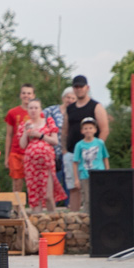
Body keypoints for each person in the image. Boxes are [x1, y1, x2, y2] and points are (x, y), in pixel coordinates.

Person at [64, 75, 110, 212]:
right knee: (74, 187)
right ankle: (75, 217)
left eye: (81, 86)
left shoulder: (96, 106)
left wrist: (96, 148)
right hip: (72, 152)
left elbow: (105, 129)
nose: (79, 89)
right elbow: (65, 130)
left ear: (87, 88)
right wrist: (63, 150)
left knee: (94, 188)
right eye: (76, 87)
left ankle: (96, 215)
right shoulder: (70, 108)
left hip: (91, 156)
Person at [19, 99, 64, 211]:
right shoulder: (25, 125)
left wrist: (40, 135)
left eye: (36, 108)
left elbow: (55, 141)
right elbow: (22, 145)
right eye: (31, 108)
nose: (33, 110)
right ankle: (38, 221)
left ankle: (53, 220)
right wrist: (26, 132)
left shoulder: (48, 122)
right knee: (35, 197)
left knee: (48, 195)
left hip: (46, 163)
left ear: (40, 109)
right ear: (28, 110)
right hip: (31, 164)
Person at [43, 87, 75, 202]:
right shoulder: (51, 110)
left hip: (69, 150)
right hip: (52, 151)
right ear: (63, 98)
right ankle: (52, 205)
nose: (70, 100)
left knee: (69, 179)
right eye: (68, 97)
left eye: (72, 98)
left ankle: (69, 204)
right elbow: (39, 118)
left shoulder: (75, 113)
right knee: (54, 179)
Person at [71, 118, 109, 210]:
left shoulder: (100, 143)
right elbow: (75, 162)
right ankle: (87, 218)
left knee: (100, 195)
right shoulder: (79, 145)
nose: (88, 130)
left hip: (99, 174)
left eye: (90, 128)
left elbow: (105, 158)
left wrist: (108, 173)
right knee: (87, 198)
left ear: (95, 130)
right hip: (85, 175)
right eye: (86, 128)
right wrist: (76, 179)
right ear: (82, 131)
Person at [3, 84, 34, 194]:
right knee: (17, 182)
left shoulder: (37, 112)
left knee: (33, 182)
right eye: (24, 93)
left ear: (33, 95)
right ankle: (17, 209)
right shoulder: (13, 112)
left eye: (29, 93)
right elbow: (9, 135)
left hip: (31, 152)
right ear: (20, 95)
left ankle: (34, 208)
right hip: (16, 152)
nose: (26, 95)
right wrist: (7, 156)